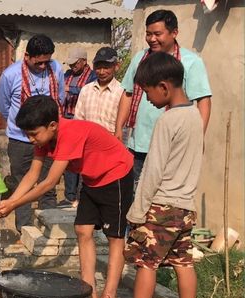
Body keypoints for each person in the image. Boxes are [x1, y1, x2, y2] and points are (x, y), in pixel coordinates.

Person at [0, 95, 133, 298]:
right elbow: (32, 175)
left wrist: (14, 203)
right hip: (92, 178)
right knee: (82, 230)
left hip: (115, 174)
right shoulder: (45, 140)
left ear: (52, 125)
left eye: (34, 134)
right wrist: (10, 202)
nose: (31, 139)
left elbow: (48, 182)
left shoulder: (70, 134)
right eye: (27, 134)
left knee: (114, 237)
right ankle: (87, 292)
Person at [102, 52, 203, 298]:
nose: (145, 99)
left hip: (161, 207)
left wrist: (136, 212)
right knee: (183, 263)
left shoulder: (168, 121)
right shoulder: (195, 115)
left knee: (146, 263)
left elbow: (152, 172)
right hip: (185, 207)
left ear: (164, 87)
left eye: (146, 92)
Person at [114, 10, 211, 184]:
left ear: (174, 33)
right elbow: (127, 93)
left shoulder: (191, 62)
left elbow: (203, 101)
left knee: (166, 195)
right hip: (138, 145)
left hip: (173, 145)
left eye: (157, 34)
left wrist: (198, 136)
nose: (152, 39)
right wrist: (119, 128)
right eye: (148, 34)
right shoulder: (139, 58)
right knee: (137, 193)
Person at [0, 34, 63, 233]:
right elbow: (4, 107)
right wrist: (28, 127)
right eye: (38, 63)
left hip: (49, 140)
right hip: (20, 139)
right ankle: (24, 231)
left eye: (46, 62)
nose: (43, 67)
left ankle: (50, 230)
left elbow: (59, 98)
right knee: (21, 185)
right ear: (27, 56)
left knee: (48, 186)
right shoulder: (10, 75)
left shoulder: (56, 69)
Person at [60, 47, 97, 207]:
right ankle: (69, 196)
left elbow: (90, 91)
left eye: (75, 64)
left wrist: (71, 89)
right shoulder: (67, 75)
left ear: (83, 61)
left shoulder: (93, 76)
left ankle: (82, 196)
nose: (72, 67)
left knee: (84, 160)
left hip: (84, 121)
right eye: (70, 64)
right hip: (67, 119)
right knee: (69, 160)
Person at [73, 47, 123, 134]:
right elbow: (78, 120)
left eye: (106, 67)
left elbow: (124, 127)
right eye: (98, 68)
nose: (101, 72)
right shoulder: (86, 90)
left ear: (116, 67)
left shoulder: (121, 92)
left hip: (111, 143)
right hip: (89, 142)